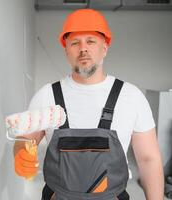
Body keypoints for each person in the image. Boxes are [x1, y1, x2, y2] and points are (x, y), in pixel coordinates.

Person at [13, 8, 164, 200]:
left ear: (105, 48)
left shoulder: (132, 97)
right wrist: (19, 153)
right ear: (66, 50)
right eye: (75, 43)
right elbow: (24, 141)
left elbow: (148, 159)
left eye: (90, 41)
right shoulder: (46, 96)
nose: (83, 48)